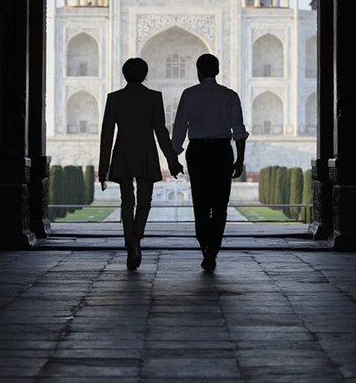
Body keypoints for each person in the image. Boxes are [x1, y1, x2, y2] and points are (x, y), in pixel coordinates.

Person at [98, 57, 183, 270]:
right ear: (145, 75)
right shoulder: (153, 97)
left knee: (127, 200)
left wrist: (103, 167)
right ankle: (137, 238)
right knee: (145, 199)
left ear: (124, 74)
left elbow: (107, 134)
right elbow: (161, 132)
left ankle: (130, 243)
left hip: (123, 152)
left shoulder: (115, 98)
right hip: (146, 153)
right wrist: (172, 160)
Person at [171, 53, 248, 272]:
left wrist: (174, 156)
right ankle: (212, 250)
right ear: (217, 71)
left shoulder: (189, 94)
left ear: (199, 71)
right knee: (220, 204)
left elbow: (179, 128)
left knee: (201, 203)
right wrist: (240, 159)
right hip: (222, 151)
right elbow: (239, 131)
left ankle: (206, 246)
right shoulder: (230, 96)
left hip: (197, 152)